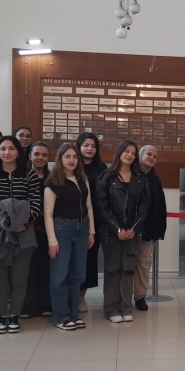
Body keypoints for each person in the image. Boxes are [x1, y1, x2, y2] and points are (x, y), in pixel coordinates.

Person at [0, 136, 41, 334]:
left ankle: (14, 315)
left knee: (19, 279)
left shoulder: (29, 175)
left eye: (11, 148)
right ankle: (1, 315)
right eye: (3, 148)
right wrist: (7, 224)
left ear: (18, 152)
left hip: (24, 232)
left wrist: (20, 223)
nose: (7, 152)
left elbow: (35, 204)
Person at [96, 139, 150, 323]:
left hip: (133, 233)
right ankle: (111, 309)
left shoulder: (141, 178)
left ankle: (126, 307)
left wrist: (133, 229)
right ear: (119, 152)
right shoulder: (106, 177)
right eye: (127, 151)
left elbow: (144, 206)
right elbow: (102, 206)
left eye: (133, 153)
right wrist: (117, 228)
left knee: (128, 270)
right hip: (110, 232)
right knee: (113, 269)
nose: (130, 155)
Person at [45, 143, 96, 330]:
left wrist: (91, 231)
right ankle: (61, 316)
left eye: (75, 157)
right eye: (67, 156)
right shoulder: (53, 183)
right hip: (62, 230)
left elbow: (88, 206)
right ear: (60, 159)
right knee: (59, 276)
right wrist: (52, 241)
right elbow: (48, 214)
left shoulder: (82, 179)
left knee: (78, 274)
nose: (72, 160)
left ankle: (73, 314)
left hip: (82, 229)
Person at [134, 145, 166, 311]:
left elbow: (161, 205)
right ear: (140, 155)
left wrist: (160, 230)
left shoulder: (155, 179)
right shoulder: (129, 174)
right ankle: (122, 297)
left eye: (155, 156)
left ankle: (140, 296)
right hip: (128, 230)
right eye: (149, 154)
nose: (152, 158)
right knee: (125, 263)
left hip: (148, 230)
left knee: (144, 264)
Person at [23, 141, 53, 318]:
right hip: (27, 228)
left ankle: (45, 304)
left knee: (46, 266)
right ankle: (28, 306)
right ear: (30, 156)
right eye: (36, 154)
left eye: (44, 155)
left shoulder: (53, 178)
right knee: (28, 268)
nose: (40, 158)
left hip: (47, 229)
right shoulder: (23, 177)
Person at [77, 132, 107, 313]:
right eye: (86, 145)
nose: (89, 149)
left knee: (89, 259)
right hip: (72, 219)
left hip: (95, 221)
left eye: (93, 146)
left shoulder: (102, 169)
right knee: (72, 259)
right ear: (79, 146)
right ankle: (69, 295)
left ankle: (81, 296)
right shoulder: (71, 165)